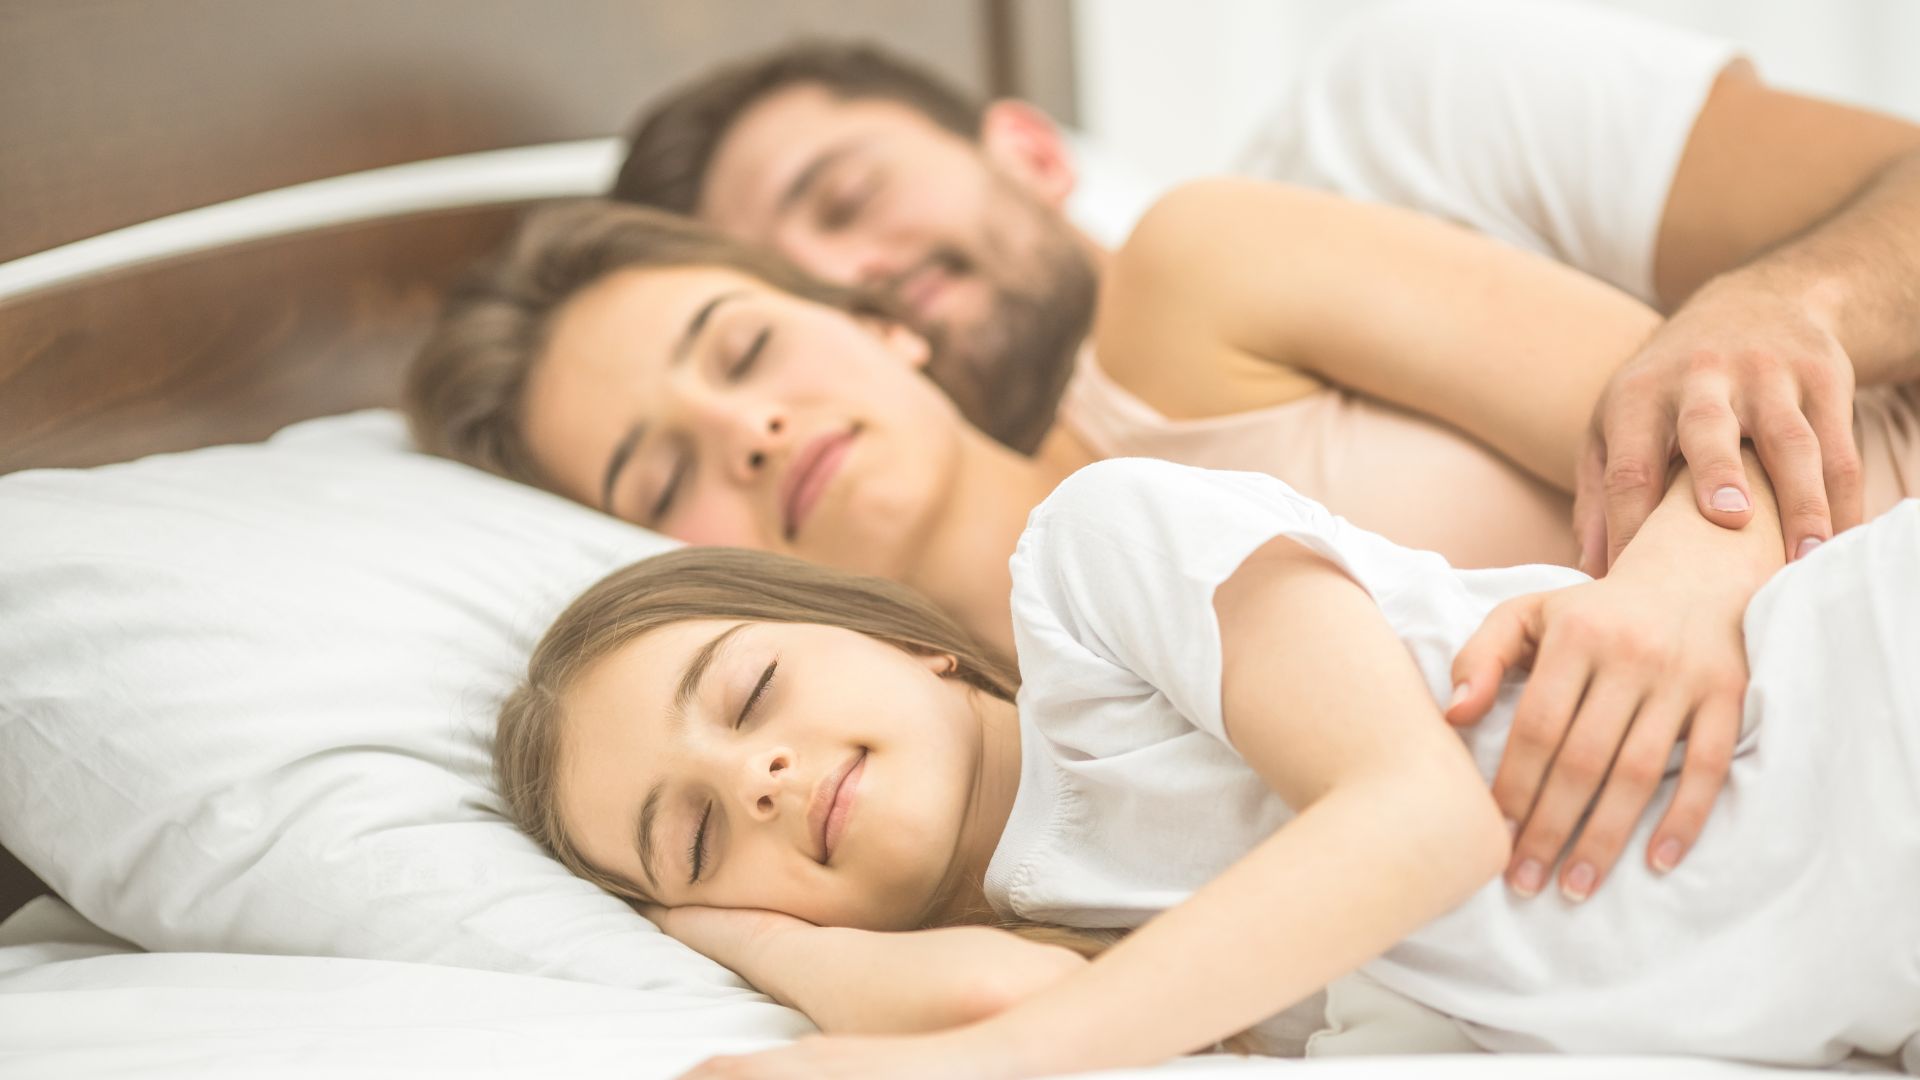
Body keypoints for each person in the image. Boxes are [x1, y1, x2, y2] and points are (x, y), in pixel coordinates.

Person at [408, 178, 1920, 903]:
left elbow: (1771, 403)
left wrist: (1676, 585)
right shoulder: (953, 808)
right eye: (659, 471)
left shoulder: (1199, 290)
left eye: (739, 354)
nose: (745, 434)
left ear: (877, 324)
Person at [494, 452, 1920, 1075]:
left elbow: (1422, 822)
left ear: (903, 641)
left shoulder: (1095, 561)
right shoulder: (1101, 963)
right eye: (692, 833)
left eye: (749, 692)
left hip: (1866, 713)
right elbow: (1009, 995)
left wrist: (988, 1067)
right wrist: (723, 931)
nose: (756, 781)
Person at [611, 0, 1920, 579]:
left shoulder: (1395, 112)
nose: (855, 276)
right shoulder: (1047, 607)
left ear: (1030, 150)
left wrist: (1793, 300)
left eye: (845, 201)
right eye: (795, 293)